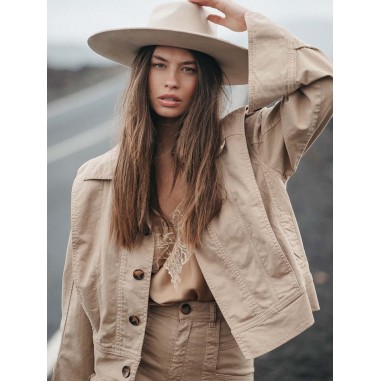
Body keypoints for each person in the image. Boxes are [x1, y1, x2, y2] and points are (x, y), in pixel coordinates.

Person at [52, 0, 333, 380]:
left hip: (219, 364)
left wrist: (252, 24)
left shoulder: (249, 149)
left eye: (188, 69)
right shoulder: (97, 179)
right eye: (159, 65)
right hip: (127, 364)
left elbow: (323, 85)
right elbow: (77, 311)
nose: (172, 81)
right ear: (142, 74)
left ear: (206, 78)